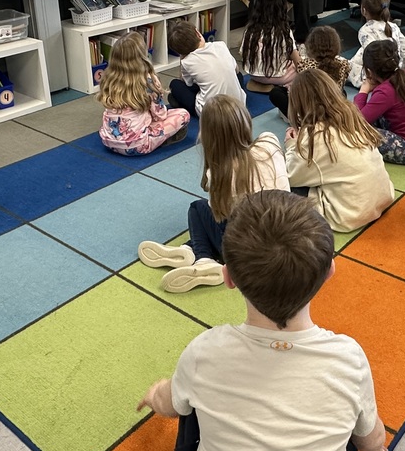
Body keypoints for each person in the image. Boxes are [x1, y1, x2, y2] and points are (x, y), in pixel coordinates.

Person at [139, 189, 398, 451]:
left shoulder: (205, 352)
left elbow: (169, 404)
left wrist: (155, 394)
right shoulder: (348, 358)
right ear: (330, 272)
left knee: (189, 407)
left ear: (228, 277)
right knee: (348, 435)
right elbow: (371, 440)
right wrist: (377, 449)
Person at [136, 95, 289, 293]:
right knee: (240, 215)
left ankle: (203, 258)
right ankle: (188, 249)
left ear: (208, 137)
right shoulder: (270, 141)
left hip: (245, 256)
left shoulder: (220, 173)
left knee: (198, 209)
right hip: (282, 245)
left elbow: (219, 214)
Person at [285, 69, 395, 232]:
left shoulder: (316, 136)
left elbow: (290, 177)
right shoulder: (352, 117)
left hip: (349, 215)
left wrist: (291, 145)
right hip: (382, 198)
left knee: (280, 188)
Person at [97, 31, 190, 155]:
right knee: (183, 114)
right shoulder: (147, 80)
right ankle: (159, 140)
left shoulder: (109, 79)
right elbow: (160, 115)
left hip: (109, 143)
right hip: (137, 145)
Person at [166, 20, 245, 117]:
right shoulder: (220, 45)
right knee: (237, 75)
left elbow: (187, 83)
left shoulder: (187, 61)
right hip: (239, 105)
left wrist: (182, 58)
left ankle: (181, 102)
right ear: (197, 32)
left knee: (175, 84)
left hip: (211, 114)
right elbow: (236, 70)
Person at [268, 25, 350, 118]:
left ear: (310, 47)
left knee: (276, 93)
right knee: (341, 92)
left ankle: (296, 119)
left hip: (309, 115)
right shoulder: (344, 64)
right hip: (333, 110)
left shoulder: (304, 65)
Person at [347, 0, 405, 88]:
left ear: (363, 10)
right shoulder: (394, 27)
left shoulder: (365, 30)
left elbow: (371, 57)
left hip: (376, 76)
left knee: (343, 65)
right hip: (395, 71)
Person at [240, 0, 299, 93]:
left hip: (253, 74)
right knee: (300, 67)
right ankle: (280, 85)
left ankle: (258, 84)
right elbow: (297, 61)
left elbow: (243, 53)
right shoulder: (284, 31)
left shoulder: (249, 29)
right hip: (278, 77)